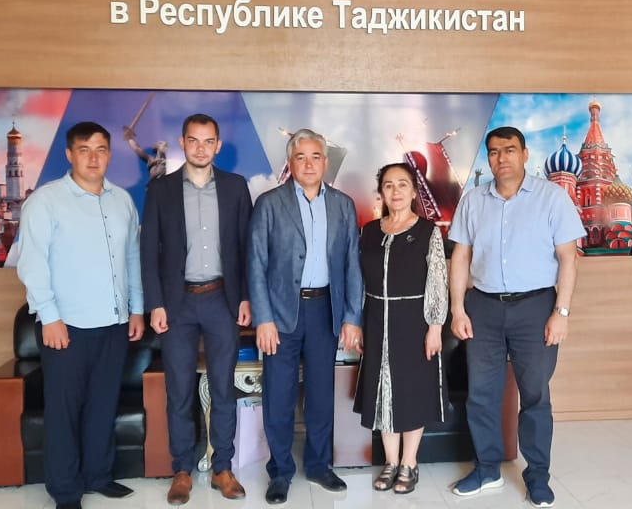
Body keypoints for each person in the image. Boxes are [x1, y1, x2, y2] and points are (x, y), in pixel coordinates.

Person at [447, 127, 584, 509]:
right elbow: (460, 257)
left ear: (525, 154)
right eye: (493, 152)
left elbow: (568, 258)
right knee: (481, 393)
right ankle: (487, 468)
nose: (501, 158)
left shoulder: (551, 198)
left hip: (536, 308)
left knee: (535, 394)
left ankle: (537, 476)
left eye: (509, 150)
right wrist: (458, 308)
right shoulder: (474, 201)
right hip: (484, 307)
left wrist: (561, 313)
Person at [16, 121, 145, 509]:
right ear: (69, 155)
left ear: (109, 154)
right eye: (84, 150)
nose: (93, 158)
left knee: (103, 403)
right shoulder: (46, 201)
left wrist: (137, 309)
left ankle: (97, 475)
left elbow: (131, 259)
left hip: (114, 322)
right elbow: (32, 264)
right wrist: (49, 317)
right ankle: (66, 490)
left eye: (101, 149)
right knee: (64, 410)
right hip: (66, 325)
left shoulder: (122, 201)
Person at [247, 128, 364, 505]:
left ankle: (318, 465)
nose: (309, 164)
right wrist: (263, 318)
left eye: (315, 157)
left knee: (320, 393)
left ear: (325, 162)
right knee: (278, 395)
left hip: (325, 309)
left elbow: (352, 264)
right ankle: (280, 471)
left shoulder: (343, 205)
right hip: (280, 313)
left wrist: (352, 316)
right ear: (291, 163)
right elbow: (255, 263)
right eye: (301, 157)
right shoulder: (269, 203)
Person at [140, 114, 253, 505]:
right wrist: (155, 303)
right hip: (177, 303)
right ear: (182, 143)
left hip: (222, 299)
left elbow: (247, 247)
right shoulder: (161, 190)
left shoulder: (236, 187)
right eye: (194, 140)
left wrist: (246, 297)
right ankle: (182, 470)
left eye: (208, 141)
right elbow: (148, 252)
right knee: (179, 391)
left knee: (223, 388)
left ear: (217, 145)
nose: (201, 148)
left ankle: (223, 467)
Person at [353, 163, 448, 495]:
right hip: (376, 317)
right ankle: (391, 462)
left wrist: (435, 326)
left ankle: (409, 462)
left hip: (414, 320)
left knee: (411, 390)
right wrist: (358, 323)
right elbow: (358, 281)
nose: (396, 191)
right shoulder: (368, 231)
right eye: (389, 185)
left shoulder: (427, 231)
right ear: (381, 191)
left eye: (403, 184)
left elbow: (438, 281)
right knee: (382, 390)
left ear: (414, 191)